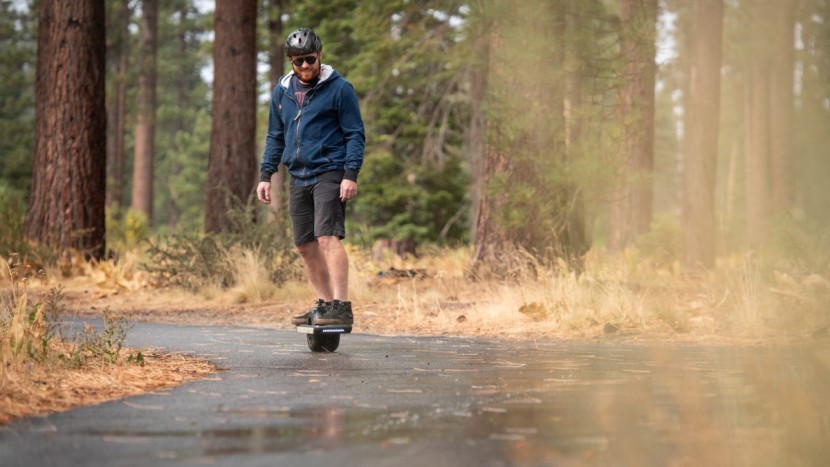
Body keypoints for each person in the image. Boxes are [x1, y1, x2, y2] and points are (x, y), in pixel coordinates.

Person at [256, 28, 365, 327]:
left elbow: (355, 134)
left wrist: (350, 174)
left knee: (327, 237)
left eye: (309, 59)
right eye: (298, 61)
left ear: (320, 55)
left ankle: (341, 306)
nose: (305, 66)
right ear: (291, 61)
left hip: (330, 171)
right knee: (305, 245)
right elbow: (275, 136)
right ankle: (325, 304)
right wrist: (266, 174)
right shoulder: (282, 92)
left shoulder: (340, 88)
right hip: (298, 175)